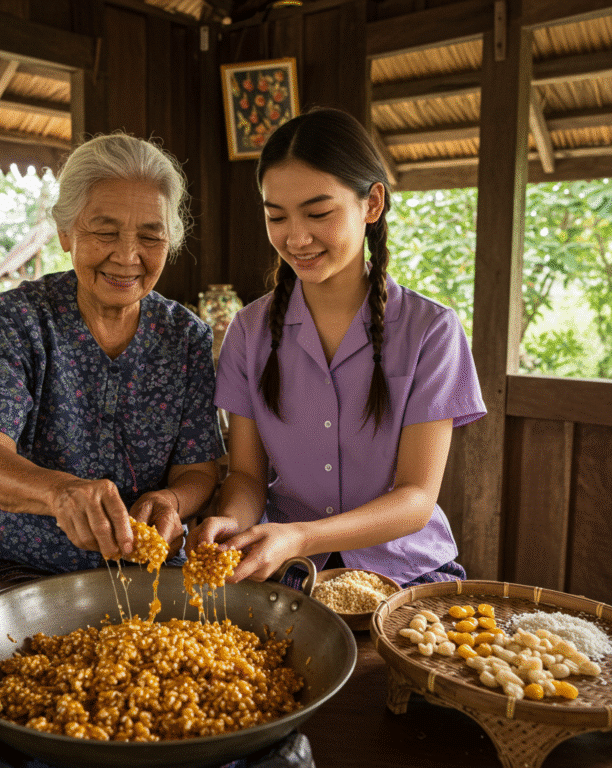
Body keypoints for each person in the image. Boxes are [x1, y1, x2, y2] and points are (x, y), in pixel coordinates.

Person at [188, 107, 486, 588]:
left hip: (405, 573)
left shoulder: (432, 331)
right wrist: (233, 521)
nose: (297, 237)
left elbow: (416, 497)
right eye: (276, 216)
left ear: (372, 204)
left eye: (319, 213)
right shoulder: (249, 330)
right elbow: (246, 475)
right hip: (289, 571)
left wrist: (302, 537)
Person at [0, 132, 224, 582]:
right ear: (65, 232)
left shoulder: (186, 336)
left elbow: (197, 469)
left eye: (150, 236)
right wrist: (61, 493)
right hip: (25, 567)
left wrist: (172, 503)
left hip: (148, 569)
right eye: (105, 232)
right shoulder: (21, 317)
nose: (128, 256)